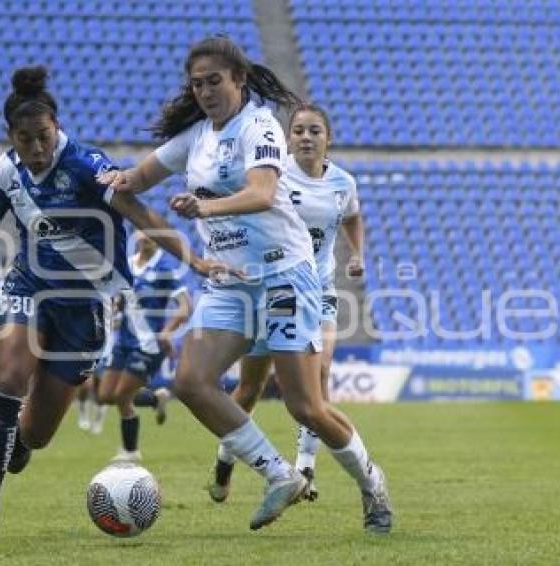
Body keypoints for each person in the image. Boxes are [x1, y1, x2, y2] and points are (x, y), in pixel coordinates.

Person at [104, 36, 392, 533]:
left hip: (285, 275)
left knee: (307, 406)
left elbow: (260, 193)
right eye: (197, 84)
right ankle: (279, 474)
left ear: (238, 80)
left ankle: (374, 488)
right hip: (231, 282)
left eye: (214, 81)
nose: (205, 91)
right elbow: (132, 190)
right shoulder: (193, 138)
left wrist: (206, 207)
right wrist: (122, 190)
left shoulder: (258, 125)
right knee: (191, 382)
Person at [0, 65, 231, 541]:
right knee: (8, 377)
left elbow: (140, 212)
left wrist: (194, 259)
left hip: (87, 305)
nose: (36, 148)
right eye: (25, 139)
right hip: (29, 285)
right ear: (10, 135)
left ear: (57, 129)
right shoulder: (4, 172)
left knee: (38, 433)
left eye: (43, 137)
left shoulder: (88, 166)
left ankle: (19, 443)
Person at [208, 103, 366, 503]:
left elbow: (352, 216)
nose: (306, 137)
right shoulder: (272, 178)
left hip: (318, 289)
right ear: (287, 138)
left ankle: (305, 469)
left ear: (328, 138)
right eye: (298, 131)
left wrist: (357, 254)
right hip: (273, 285)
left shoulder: (343, 183)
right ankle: (225, 458)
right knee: (250, 387)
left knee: (320, 375)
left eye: (315, 130)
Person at [98, 229, 191, 461]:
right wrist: (112, 315)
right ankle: (155, 398)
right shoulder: (127, 266)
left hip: (150, 344)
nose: (145, 236)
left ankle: (131, 451)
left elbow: (185, 306)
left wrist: (168, 332)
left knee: (122, 395)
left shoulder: (165, 269)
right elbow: (119, 300)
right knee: (106, 394)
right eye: (141, 231)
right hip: (124, 341)